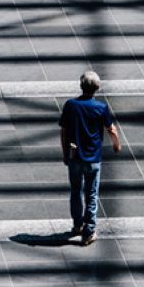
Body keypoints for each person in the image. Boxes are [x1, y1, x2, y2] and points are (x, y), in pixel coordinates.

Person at [59, 71, 121, 245]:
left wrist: (65, 153)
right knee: (92, 194)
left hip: (74, 156)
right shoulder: (100, 108)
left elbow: (63, 132)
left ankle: (77, 225)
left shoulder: (70, 105)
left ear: (81, 85)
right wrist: (116, 144)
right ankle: (89, 231)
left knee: (76, 192)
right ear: (97, 88)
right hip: (93, 158)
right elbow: (111, 129)